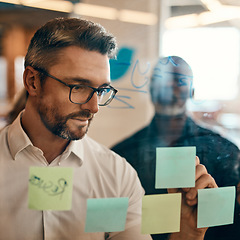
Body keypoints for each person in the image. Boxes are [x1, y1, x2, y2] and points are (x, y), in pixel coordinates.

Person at [0, 19, 217, 240]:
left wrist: (187, 234)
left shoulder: (116, 175)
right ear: (33, 81)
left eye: (102, 90)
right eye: (79, 87)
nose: (93, 107)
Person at [111, 56, 240, 239]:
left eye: (179, 80)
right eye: (161, 78)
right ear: (151, 89)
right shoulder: (121, 155)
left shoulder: (225, 152)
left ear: (192, 91)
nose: (169, 86)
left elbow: (233, 226)